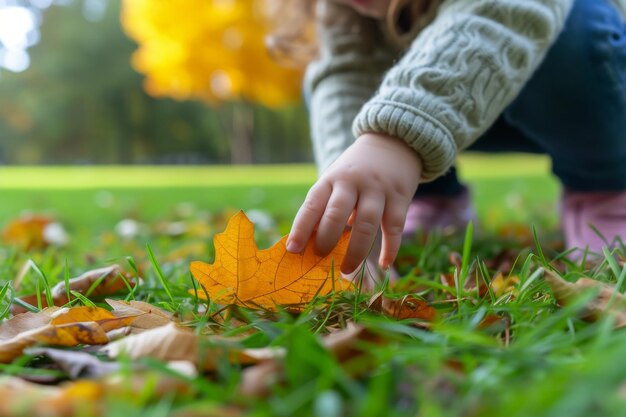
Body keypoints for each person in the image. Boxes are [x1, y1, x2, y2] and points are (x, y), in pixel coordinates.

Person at [274, 0, 626, 276]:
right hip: (467, 112)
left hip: (582, 97)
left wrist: (394, 138)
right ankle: (432, 202)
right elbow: (345, 77)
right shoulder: (344, 12)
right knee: (333, 74)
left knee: (575, 30)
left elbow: (499, 12)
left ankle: (605, 190)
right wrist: (351, 221)